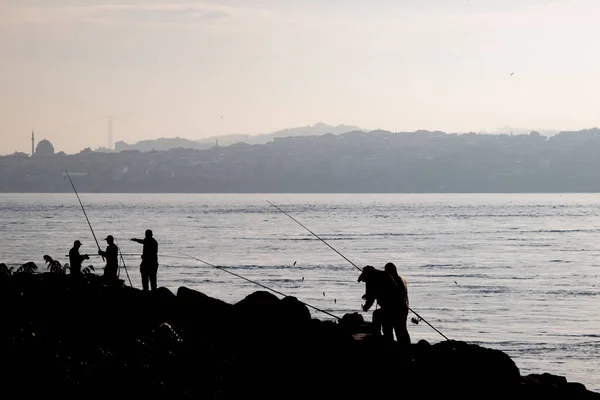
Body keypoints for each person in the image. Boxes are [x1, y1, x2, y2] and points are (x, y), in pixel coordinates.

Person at [358, 264, 410, 345]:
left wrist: (366, 307)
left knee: (378, 317)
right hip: (401, 308)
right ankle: (404, 348)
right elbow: (380, 291)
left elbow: (371, 297)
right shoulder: (385, 275)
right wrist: (370, 295)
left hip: (391, 309)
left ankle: (378, 339)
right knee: (401, 331)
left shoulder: (371, 279)